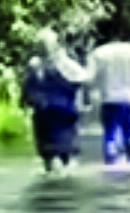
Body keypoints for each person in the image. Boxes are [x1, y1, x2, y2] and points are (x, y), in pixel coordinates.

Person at [20, 29, 87, 172]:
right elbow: (82, 79)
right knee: (66, 151)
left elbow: (27, 88)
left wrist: (25, 104)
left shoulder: (35, 64)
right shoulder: (65, 63)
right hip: (65, 111)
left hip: (45, 112)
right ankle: (63, 179)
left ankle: (55, 177)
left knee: (49, 152)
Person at [87, 24, 130, 165]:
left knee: (109, 130)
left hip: (108, 98)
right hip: (127, 97)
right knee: (128, 128)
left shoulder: (98, 53)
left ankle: (110, 152)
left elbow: (91, 77)